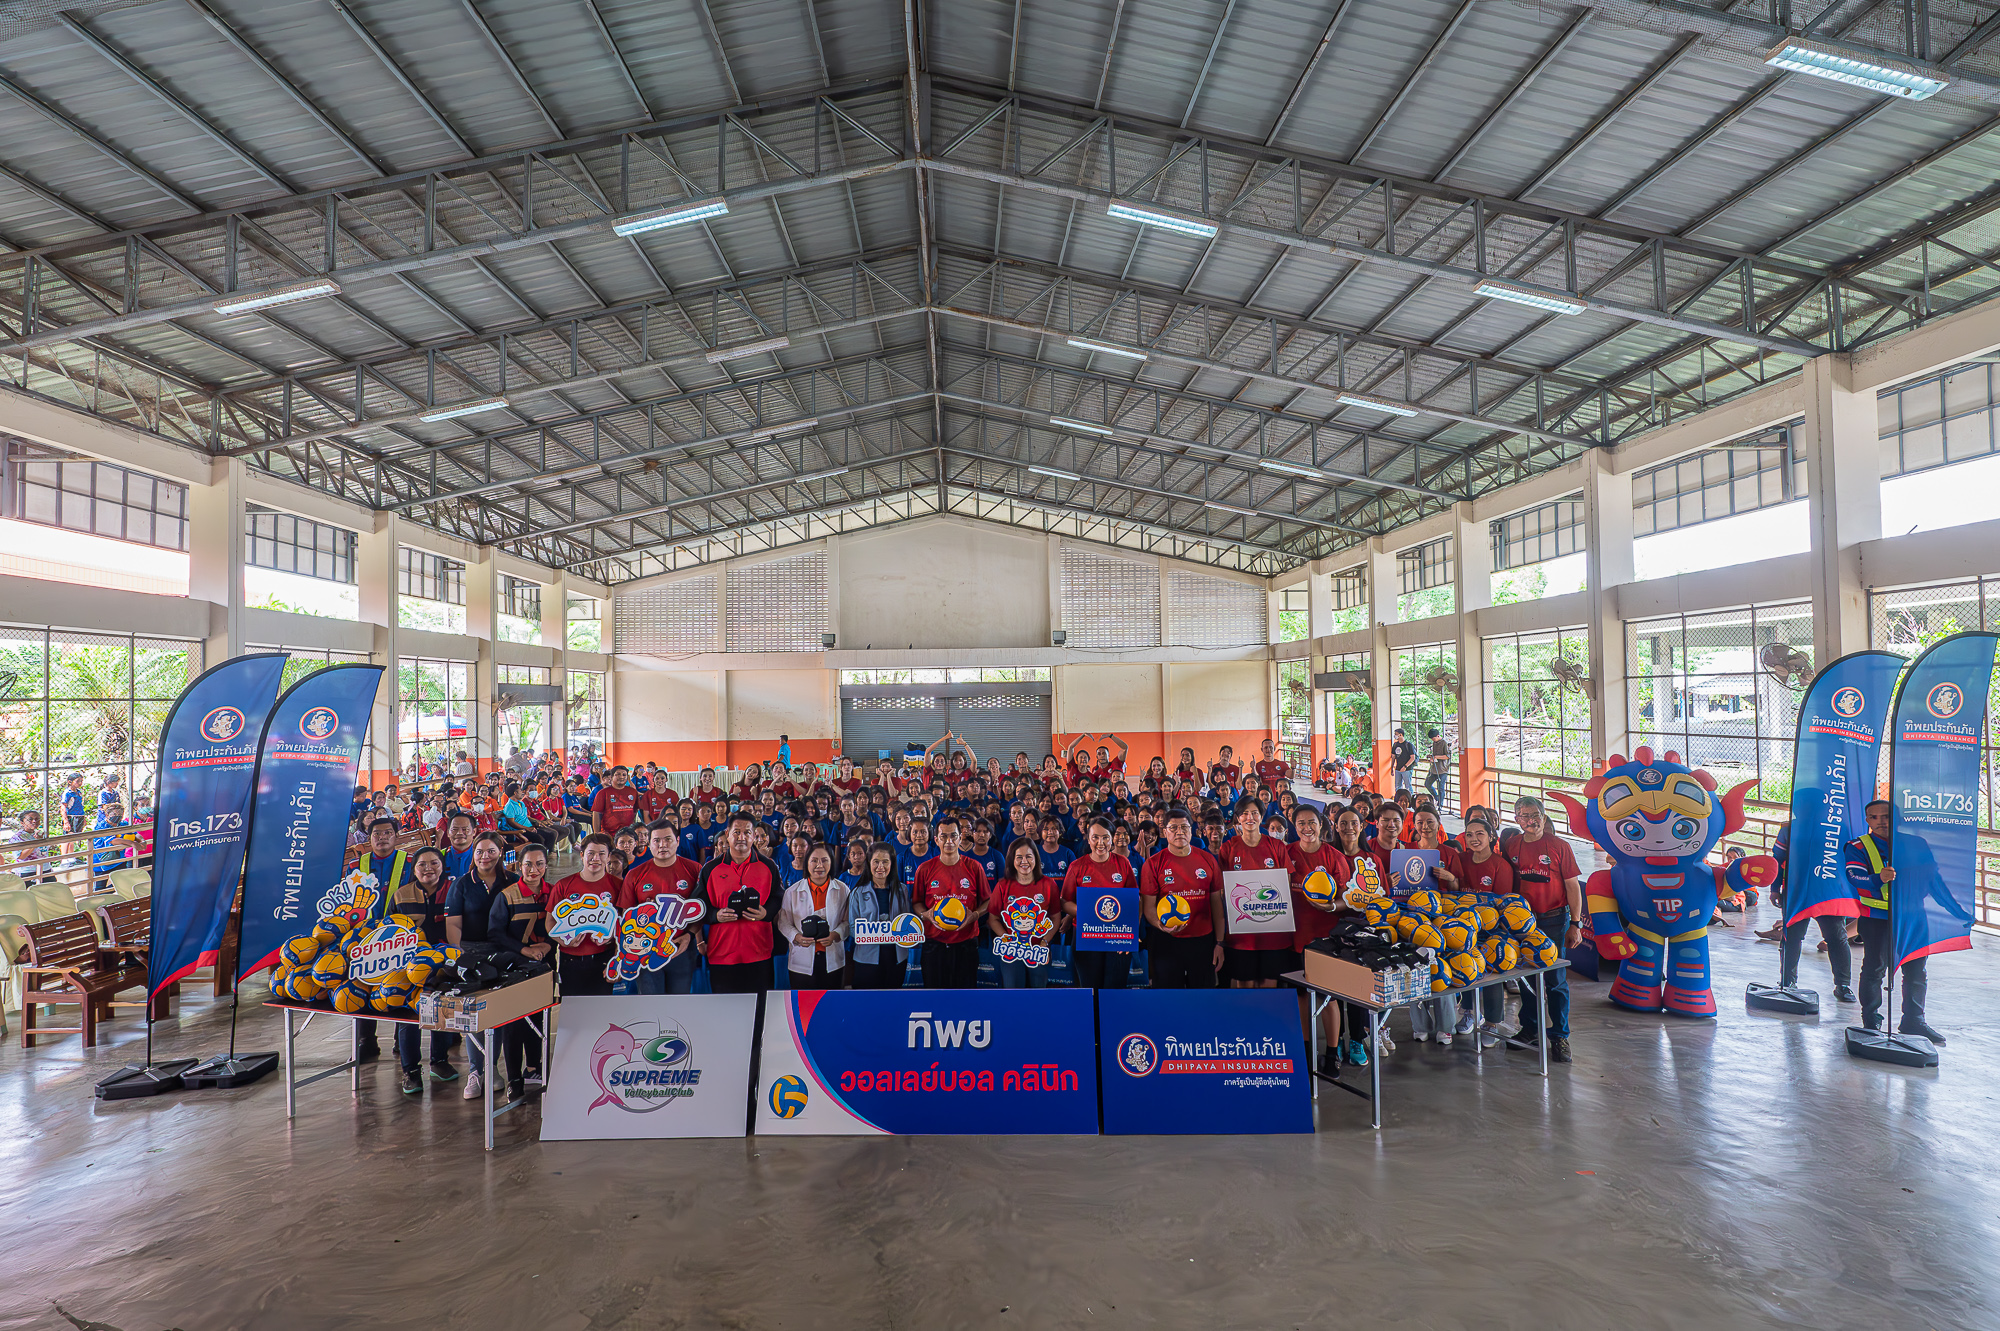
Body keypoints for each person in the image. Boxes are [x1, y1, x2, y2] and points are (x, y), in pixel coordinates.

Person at [1845, 800, 1944, 1044]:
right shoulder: (1858, 846)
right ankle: (1871, 1021)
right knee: (1875, 969)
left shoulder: (1917, 844)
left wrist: (1957, 911)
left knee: (1916, 970)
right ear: (1867, 820)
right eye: (1874, 817)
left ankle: (1914, 1021)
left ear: (1896, 817)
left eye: (1886, 816)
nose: (1881, 821)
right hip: (1876, 919)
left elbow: (1934, 880)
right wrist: (1878, 878)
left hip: (1913, 917)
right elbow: (1854, 876)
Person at [1500, 796, 1582, 1063]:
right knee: (1527, 979)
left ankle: (1559, 1035)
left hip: (1554, 920)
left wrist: (1575, 923)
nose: (1530, 820)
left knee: (1555, 981)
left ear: (1544, 817)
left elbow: (1572, 886)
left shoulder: (1559, 846)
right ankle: (1531, 1029)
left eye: (1535, 815)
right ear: (1517, 820)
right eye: (1524, 816)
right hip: (1523, 923)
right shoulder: (1512, 845)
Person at [444, 833, 517, 1100]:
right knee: (473, 1016)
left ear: (501, 852)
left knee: (499, 1015)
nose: (485, 856)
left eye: (491, 851)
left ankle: (493, 1068)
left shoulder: (513, 881)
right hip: (471, 953)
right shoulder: (462, 884)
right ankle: (476, 1071)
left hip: (504, 953)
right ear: (473, 855)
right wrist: (460, 956)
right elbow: (453, 923)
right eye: (479, 851)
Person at [1440, 818, 1512, 1048]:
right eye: (1469, 834)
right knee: (1464, 966)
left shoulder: (1501, 865)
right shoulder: (1460, 859)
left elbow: (1502, 904)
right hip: (1463, 928)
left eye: (1480, 833)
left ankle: (1491, 1022)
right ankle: (1470, 1012)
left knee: (1491, 974)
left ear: (1491, 836)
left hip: (1490, 930)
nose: (1474, 839)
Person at [487, 843, 552, 1100]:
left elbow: (564, 925)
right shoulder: (507, 896)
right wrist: (524, 950)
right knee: (514, 1024)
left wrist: (548, 945)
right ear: (519, 866)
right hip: (514, 968)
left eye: (539, 864)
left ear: (546, 865)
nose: (534, 869)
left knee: (539, 1018)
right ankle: (514, 1078)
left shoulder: (554, 893)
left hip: (544, 966)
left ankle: (534, 1068)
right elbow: (495, 933)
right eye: (528, 864)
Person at [390, 846, 456, 1093]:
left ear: (442, 866)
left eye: (434, 863)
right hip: (408, 966)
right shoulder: (401, 895)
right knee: (408, 1015)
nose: (429, 868)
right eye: (422, 864)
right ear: (414, 869)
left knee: (441, 1011)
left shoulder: (454, 889)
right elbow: (390, 930)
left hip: (444, 964)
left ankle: (439, 1062)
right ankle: (410, 1072)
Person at [696, 812, 784, 994]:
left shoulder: (769, 866)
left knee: (759, 1007)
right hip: (722, 954)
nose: (741, 837)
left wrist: (766, 913)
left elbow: (778, 897)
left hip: (759, 952)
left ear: (754, 836)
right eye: (736, 832)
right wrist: (715, 915)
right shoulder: (710, 869)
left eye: (747, 832)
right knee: (725, 1008)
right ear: (727, 834)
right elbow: (698, 905)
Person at [1141, 808, 1223, 989]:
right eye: (1173, 828)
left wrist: (1219, 943)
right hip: (1166, 940)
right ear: (1164, 832)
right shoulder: (1153, 863)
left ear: (1191, 830)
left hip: (1202, 940)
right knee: (1169, 997)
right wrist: (1161, 926)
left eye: (1184, 827)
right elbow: (1148, 907)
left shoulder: (1208, 860)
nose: (1180, 832)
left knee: (1202, 995)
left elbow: (1217, 904)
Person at [1217, 800, 1295, 989]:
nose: (1249, 817)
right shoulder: (1228, 848)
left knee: (1269, 986)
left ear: (1261, 817)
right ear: (1238, 818)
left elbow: (1286, 885)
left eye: (1254, 813)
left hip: (1273, 932)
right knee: (1245, 985)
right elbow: (1222, 889)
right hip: (1242, 934)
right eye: (1244, 813)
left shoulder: (1276, 846)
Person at [619, 823, 704, 994]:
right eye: (656, 840)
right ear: (648, 843)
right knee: (651, 1004)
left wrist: (689, 935)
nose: (662, 845)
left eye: (668, 840)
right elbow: (626, 914)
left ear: (678, 841)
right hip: (646, 951)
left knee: (678, 1004)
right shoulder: (635, 874)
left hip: (682, 949)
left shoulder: (695, 870)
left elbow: (702, 909)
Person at [913, 817, 988, 988]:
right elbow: (916, 902)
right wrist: (926, 915)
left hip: (966, 943)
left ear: (960, 838)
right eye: (943, 836)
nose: (949, 841)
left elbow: (988, 901)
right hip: (934, 943)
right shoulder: (924, 869)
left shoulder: (974, 867)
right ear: (936, 840)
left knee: (965, 996)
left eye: (953, 836)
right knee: (934, 996)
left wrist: (975, 915)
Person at [544, 833, 620, 1002]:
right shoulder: (564, 885)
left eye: (601, 854)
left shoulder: (618, 886)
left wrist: (613, 947)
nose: (595, 858)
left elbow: (625, 924)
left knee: (601, 1011)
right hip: (570, 960)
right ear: (581, 855)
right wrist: (563, 940)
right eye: (591, 853)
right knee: (571, 1010)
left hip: (603, 958)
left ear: (609, 857)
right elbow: (550, 922)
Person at [1062, 819, 1135, 990]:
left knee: (1114, 989)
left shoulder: (1123, 863)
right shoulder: (1077, 866)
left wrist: (1130, 935)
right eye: (1095, 837)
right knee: (1090, 989)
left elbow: (1133, 900)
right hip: (1087, 934)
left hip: (1117, 935)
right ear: (1088, 839)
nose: (1100, 843)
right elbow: (1065, 901)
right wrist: (1089, 913)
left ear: (1112, 839)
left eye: (1105, 837)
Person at [989, 838, 1060, 989]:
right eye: (1019, 857)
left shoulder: (1049, 884)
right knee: (1014, 994)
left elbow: (1055, 917)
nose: (1024, 861)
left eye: (1028, 856)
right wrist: (1006, 938)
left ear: (1036, 858)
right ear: (1012, 860)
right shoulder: (1002, 885)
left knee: (1038, 993)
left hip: (1038, 951)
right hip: (1011, 951)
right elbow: (993, 918)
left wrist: (1044, 942)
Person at [777, 843, 848, 990]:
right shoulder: (792, 891)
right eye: (814, 860)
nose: (819, 865)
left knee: (831, 1001)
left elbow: (847, 922)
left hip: (833, 960)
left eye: (824, 860)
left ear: (831, 862)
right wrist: (797, 937)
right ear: (807, 863)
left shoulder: (842, 889)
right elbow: (783, 922)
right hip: (801, 961)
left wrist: (835, 934)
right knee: (802, 1003)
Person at [848, 843, 911, 990]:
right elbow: (851, 927)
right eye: (876, 861)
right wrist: (875, 934)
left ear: (892, 864)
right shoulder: (857, 892)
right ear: (869, 863)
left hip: (896, 958)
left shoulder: (902, 890)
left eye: (885, 862)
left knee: (893, 999)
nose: (880, 867)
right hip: (866, 959)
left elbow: (906, 921)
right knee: (866, 1000)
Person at [590, 764, 640, 838]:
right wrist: (597, 834)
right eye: (618, 774)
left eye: (624, 775)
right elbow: (596, 814)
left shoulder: (633, 792)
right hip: (608, 835)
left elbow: (635, 811)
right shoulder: (603, 793)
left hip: (628, 834)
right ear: (611, 777)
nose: (621, 777)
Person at [1424, 729, 1450, 809]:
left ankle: (1440, 805)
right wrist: (1431, 756)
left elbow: (1447, 756)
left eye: (1433, 738)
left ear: (1438, 736)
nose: (1433, 740)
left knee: (1440, 788)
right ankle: (1437, 797)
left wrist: (1436, 757)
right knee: (1427, 784)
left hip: (1442, 769)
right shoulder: (1434, 743)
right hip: (1434, 768)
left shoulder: (1444, 743)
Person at [1390, 728, 1417, 795]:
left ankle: (1410, 798)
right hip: (1398, 768)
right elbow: (1393, 757)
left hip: (1407, 769)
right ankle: (1399, 798)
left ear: (1401, 735)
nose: (1395, 736)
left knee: (1408, 786)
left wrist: (1405, 766)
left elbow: (1412, 758)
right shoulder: (1395, 745)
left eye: (1396, 734)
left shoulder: (1409, 745)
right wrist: (1392, 768)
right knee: (1397, 786)